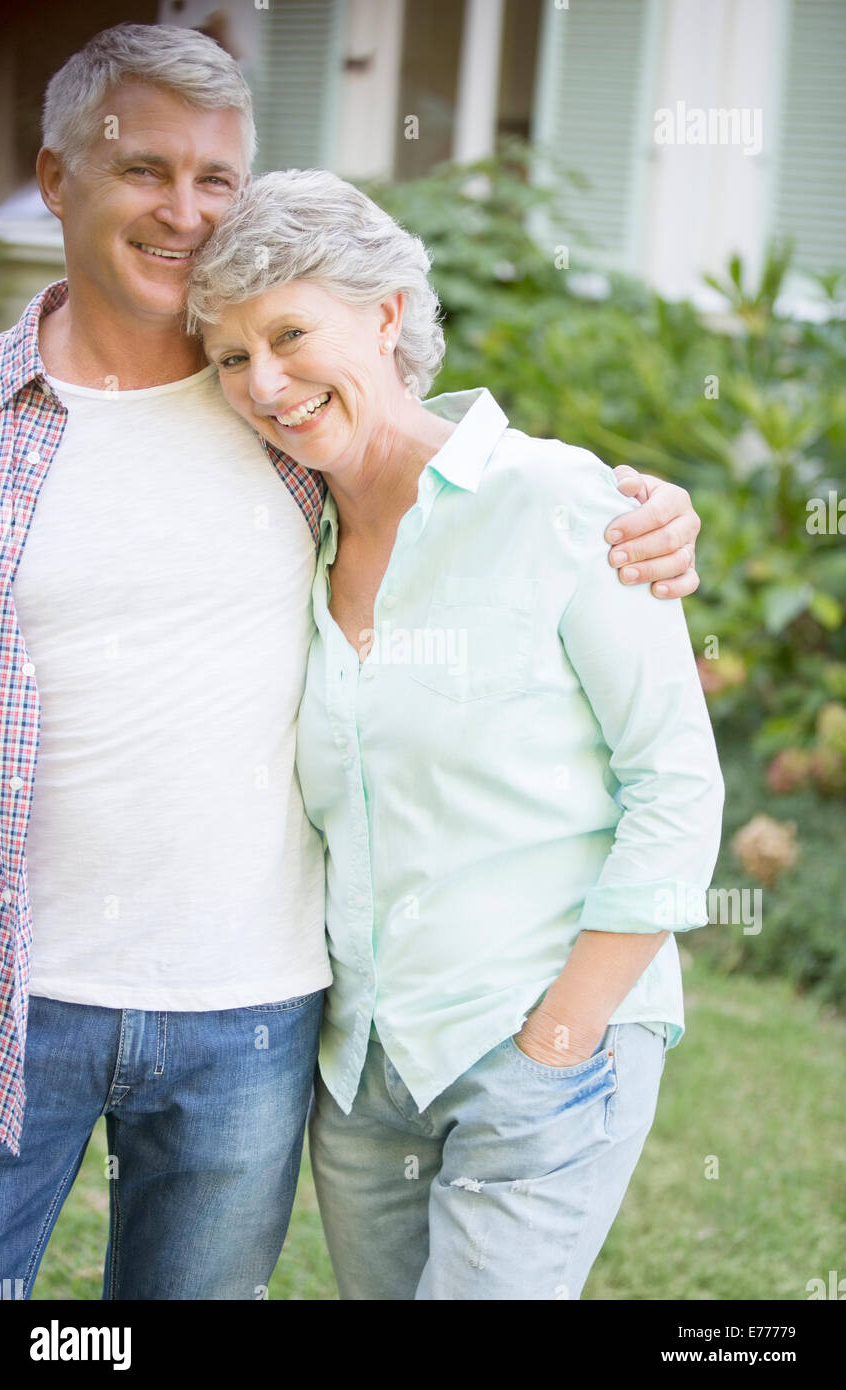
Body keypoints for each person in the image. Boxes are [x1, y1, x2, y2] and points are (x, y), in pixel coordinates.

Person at [0, 24, 702, 1301]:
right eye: (145, 169)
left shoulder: (367, 449)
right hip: (62, 1009)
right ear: (55, 176)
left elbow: (660, 767)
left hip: (271, 1017)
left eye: (217, 180)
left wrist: (648, 520)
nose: (186, 212)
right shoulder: (50, 430)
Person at [188, 167, 725, 1301]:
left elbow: (674, 788)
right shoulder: (285, 541)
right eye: (232, 356)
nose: (265, 383)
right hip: (365, 1072)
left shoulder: (562, 506)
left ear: (385, 316)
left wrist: (560, 1041)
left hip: (536, 1044)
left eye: (290, 333)